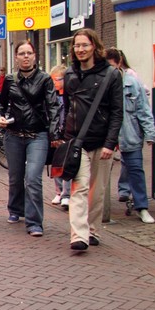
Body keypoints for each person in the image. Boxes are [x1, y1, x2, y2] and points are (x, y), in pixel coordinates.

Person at [62, 28, 123, 251]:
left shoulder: (111, 74)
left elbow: (117, 111)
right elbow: (68, 108)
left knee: (97, 191)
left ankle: (93, 230)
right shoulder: (69, 74)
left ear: (95, 47)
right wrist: (65, 135)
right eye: (77, 46)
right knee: (79, 188)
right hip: (77, 142)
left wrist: (110, 143)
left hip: (101, 141)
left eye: (85, 45)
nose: (80, 50)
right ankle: (79, 235)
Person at [0, 41, 60, 237]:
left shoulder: (44, 79)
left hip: (37, 135)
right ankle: (16, 209)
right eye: (21, 53)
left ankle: (34, 222)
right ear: (16, 57)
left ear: (35, 56)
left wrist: (54, 133)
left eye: (29, 53)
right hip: (13, 134)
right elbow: (0, 104)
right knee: (16, 177)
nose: (25, 57)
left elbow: (53, 106)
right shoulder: (9, 80)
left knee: (33, 178)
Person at [107, 48, 155, 224]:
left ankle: (141, 207)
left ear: (119, 64)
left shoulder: (132, 83)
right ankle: (101, 208)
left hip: (129, 132)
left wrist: (150, 133)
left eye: (113, 67)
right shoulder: (102, 82)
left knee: (136, 169)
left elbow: (143, 109)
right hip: (106, 133)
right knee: (100, 171)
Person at [48, 65, 71, 210]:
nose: (55, 83)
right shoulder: (52, 96)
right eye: (53, 80)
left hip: (66, 134)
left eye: (57, 79)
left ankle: (67, 194)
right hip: (55, 134)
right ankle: (59, 191)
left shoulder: (68, 96)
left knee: (66, 164)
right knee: (56, 164)